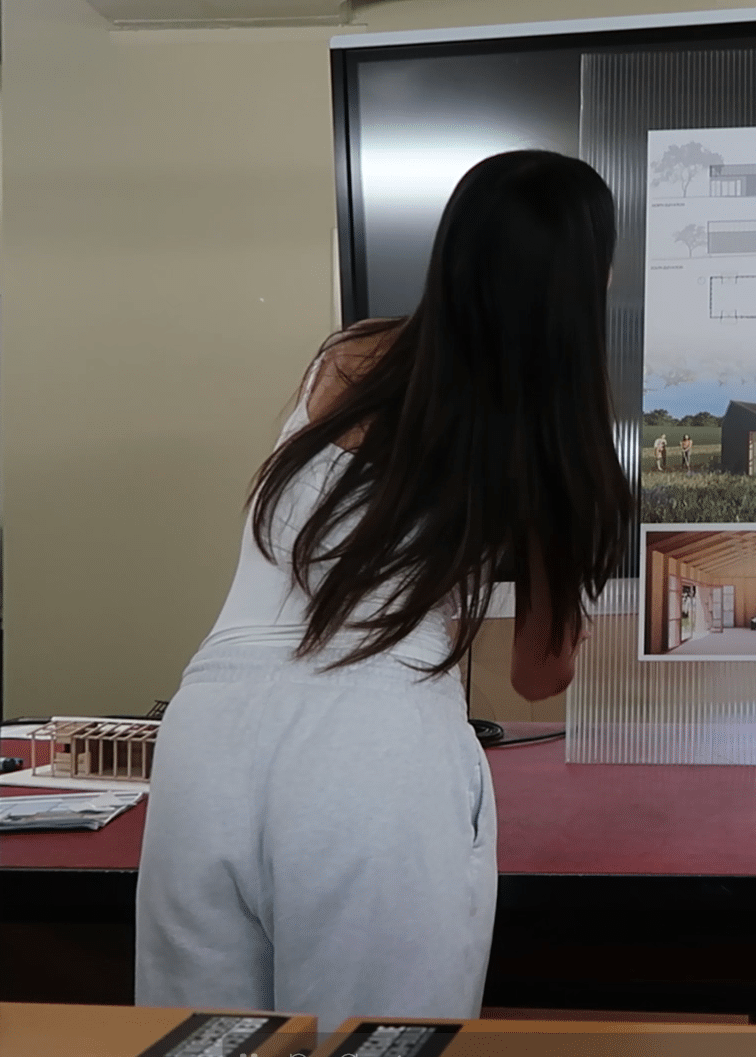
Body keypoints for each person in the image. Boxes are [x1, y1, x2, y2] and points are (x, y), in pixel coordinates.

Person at [135, 151, 634, 1029]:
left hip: (204, 738)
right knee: (371, 1048)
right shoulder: (553, 436)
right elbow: (539, 673)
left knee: (201, 1045)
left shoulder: (348, 356)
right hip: (371, 755)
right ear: (586, 282)